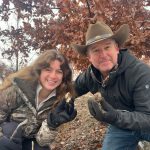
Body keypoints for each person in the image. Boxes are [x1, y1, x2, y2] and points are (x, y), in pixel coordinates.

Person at [72, 21, 150, 150]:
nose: (103, 55)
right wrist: (63, 102)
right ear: (89, 57)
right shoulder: (90, 76)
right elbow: (72, 89)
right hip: (121, 127)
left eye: (107, 47)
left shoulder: (140, 72)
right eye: (96, 50)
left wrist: (115, 116)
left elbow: (147, 118)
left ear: (117, 48)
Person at [0, 49, 77, 150]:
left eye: (59, 72)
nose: (53, 76)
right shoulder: (16, 90)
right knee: (11, 130)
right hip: (8, 138)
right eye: (48, 69)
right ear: (39, 71)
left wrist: (52, 124)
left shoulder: (60, 100)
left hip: (30, 142)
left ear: (64, 76)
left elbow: (42, 140)